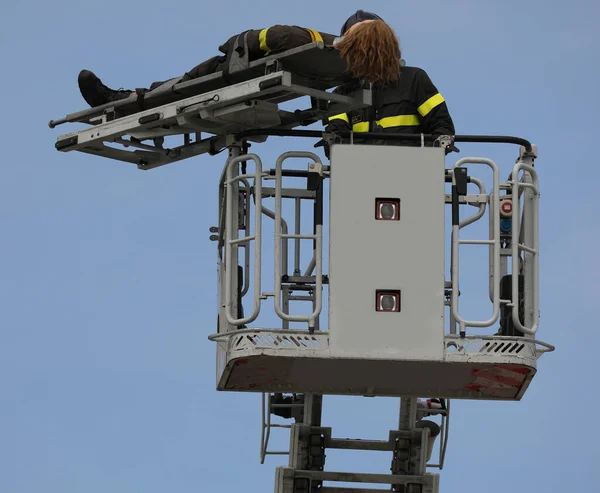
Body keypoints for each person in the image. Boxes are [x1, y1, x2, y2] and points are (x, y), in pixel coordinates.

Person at [77, 25, 337, 108]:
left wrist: (230, 48)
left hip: (232, 74)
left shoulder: (303, 38)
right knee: (177, 86)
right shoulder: (342, 66)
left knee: (179, 87)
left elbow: (249, 40)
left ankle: (120, 100)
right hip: (264, 84)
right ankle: (129, 97)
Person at [320, 10, 455, 155]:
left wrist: (418, 160)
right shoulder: (341, 93)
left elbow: (443, 130)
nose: (368, 47)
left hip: (410, 172)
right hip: (361, 173)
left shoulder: (414, 80)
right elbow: (334, 143)